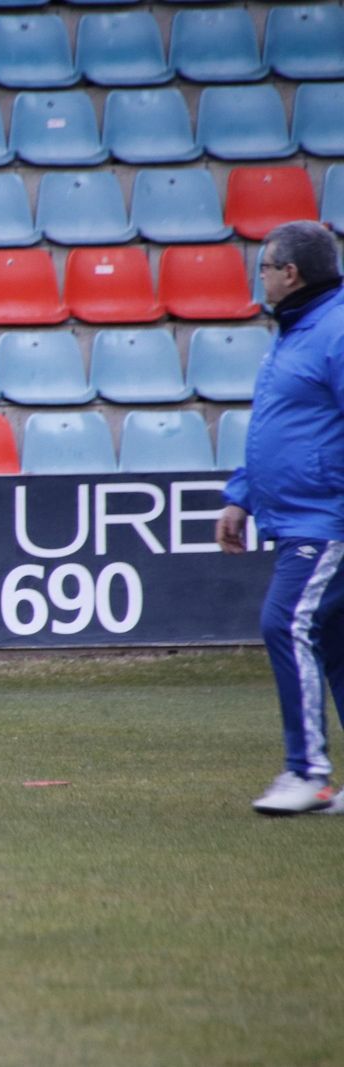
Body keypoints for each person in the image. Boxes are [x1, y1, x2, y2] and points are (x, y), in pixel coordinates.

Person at [217, 219, 344, 815]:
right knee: (336, 641)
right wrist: (242, 493)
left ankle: (309, 774)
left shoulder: (335, 330)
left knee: (284, 622)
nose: (260, 276)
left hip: (327, 521)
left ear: (289, 273)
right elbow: (280, 426)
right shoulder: (295, 333)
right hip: (295, 517)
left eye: (264, 267)